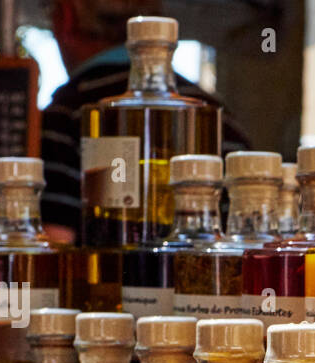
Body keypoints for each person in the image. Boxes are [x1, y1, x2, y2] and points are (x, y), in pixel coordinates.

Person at [41, 0, 248, 241]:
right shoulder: (220, 116)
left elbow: (55, 237)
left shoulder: (67, 112)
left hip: (104, 278)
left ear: (66, 16)